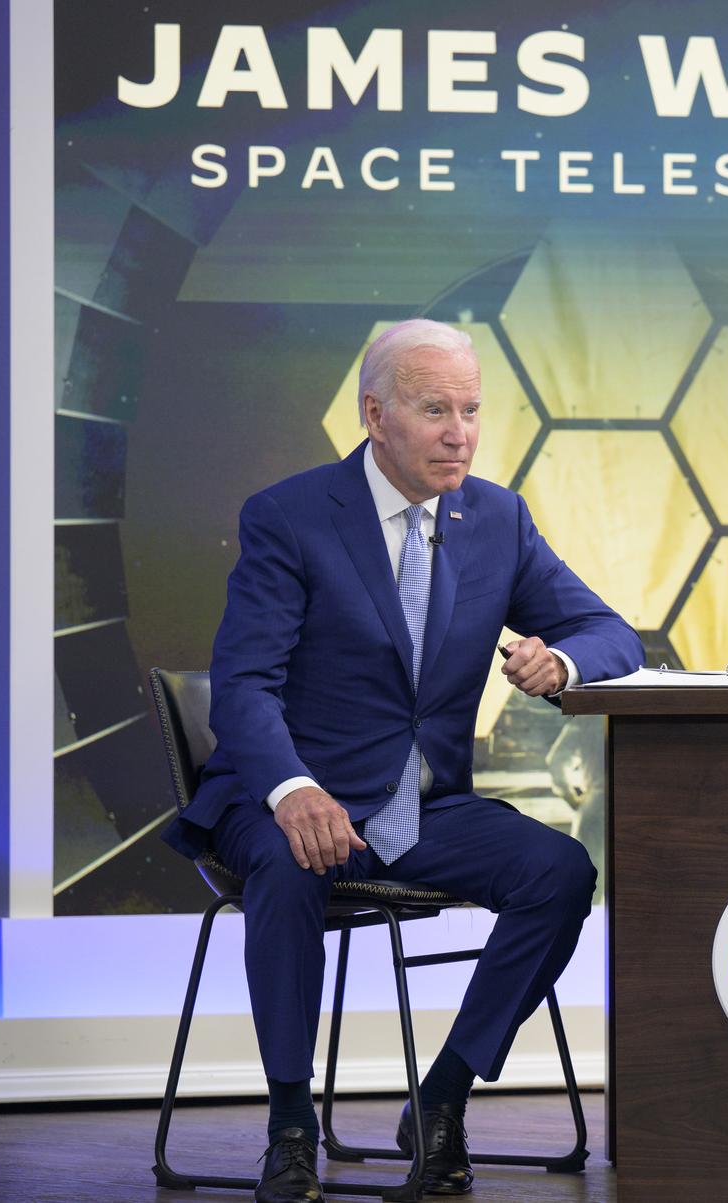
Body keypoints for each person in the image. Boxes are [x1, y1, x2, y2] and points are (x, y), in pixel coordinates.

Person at [163, 318, 643, 1202]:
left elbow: (614, 634)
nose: (459, 432)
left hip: (420, 807)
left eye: (470, 410)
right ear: (376, 413)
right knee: (292, 859)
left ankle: (443, 1097)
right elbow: (242, 687)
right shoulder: (289, 516)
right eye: (435, 410)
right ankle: (290, 1125)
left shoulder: (495, 517)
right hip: (283, 793)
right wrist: (293, 786)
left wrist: (562, 661)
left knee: (561, 871)